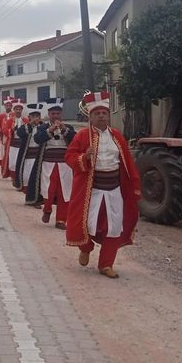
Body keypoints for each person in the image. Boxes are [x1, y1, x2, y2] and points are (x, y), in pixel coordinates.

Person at [65, 91, 141, 279]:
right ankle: (85, 248)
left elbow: (128, 164)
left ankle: (106, 264)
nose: (101, 116)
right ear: (90, 116)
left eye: (104, 113)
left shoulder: (117, 136)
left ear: (108, 115)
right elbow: (69, 157)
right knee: (86, 223)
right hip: (92, 190)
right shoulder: (83, 136)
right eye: (97, 114)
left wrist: (135, 185)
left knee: (114, 226)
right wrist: (85, 157)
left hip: (114, 189)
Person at [29, 98, 75, 229]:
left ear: (61, 114)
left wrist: (64, 130)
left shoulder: (68, 127)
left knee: (64, 191)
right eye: (53, 114)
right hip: (48, 163)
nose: (55, 116)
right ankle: (47, 210)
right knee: (48, 189)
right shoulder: (42, 127)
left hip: (64, 164)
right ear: (49, 115)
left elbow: (75, 139)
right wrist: (50, 131)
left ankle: (61, 220)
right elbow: (38, 139)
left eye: (58, 113)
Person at [14, 103, 45, 198]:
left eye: (37, 115)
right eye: (33, 116)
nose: (35, 118)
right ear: (29, 117)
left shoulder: (44, 127)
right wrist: (31, 124)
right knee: (27, 178)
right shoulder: (26, 127)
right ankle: (29, 196)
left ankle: (35, 198)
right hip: (28, 157)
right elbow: (19, 133)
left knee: (38, 179)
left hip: (39, 158)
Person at [1, 99, 25, 181]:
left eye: (20, 109)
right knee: (12, 163)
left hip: (22, 145)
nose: (18, 111)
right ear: (14, 110)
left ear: (22, 110)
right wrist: (11, 130)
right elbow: (5, 130)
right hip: (13, 145)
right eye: (16, 109)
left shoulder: (25, 120)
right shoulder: (10, 121)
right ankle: (14, 178)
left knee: (21, 162)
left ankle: (20, 178)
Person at [0, 97, 13, 170]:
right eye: (6, 105)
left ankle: (10, 169)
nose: (8, 107)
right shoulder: (1, 116)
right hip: (3, 138)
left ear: (11, 106)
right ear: (4, 106)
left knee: (10, 153)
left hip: (11, 137)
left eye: (9, 105)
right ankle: (3, 169)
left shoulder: (14, 115)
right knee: (3, 153)